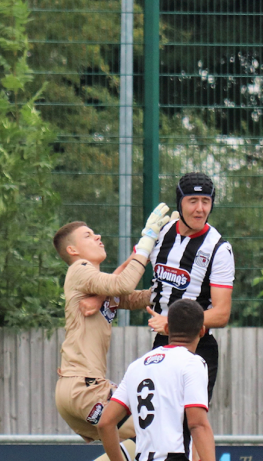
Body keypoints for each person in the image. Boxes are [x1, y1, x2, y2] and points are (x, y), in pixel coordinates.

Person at [52, 203, 172, 461]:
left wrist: (180, 288)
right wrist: (147, 240)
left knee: (143, 437)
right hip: (85, 387)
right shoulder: (79, 270)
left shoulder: (95, 286)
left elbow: (138, 297)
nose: (97, 237)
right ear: (72, 250)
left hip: (74, 389)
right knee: (161, 426)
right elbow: (123, 283)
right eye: (87, 235)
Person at [144, 172, 234, 403]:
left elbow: (222, 314)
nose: (200, 209)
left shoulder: (219, 248)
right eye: (192, 201)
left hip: (199, 346)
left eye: (206, 201)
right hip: (162, 344)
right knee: (155, 423)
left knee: (189, 424)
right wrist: (100, 296)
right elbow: (126, 276)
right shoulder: (161, 232)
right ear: (180, 203)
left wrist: (172, 322)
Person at [97, 299, 216, 461]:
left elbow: (105, 423)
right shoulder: (192, 363)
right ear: (202, 331)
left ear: (166, 329)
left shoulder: (137, 366)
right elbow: (197, 424)